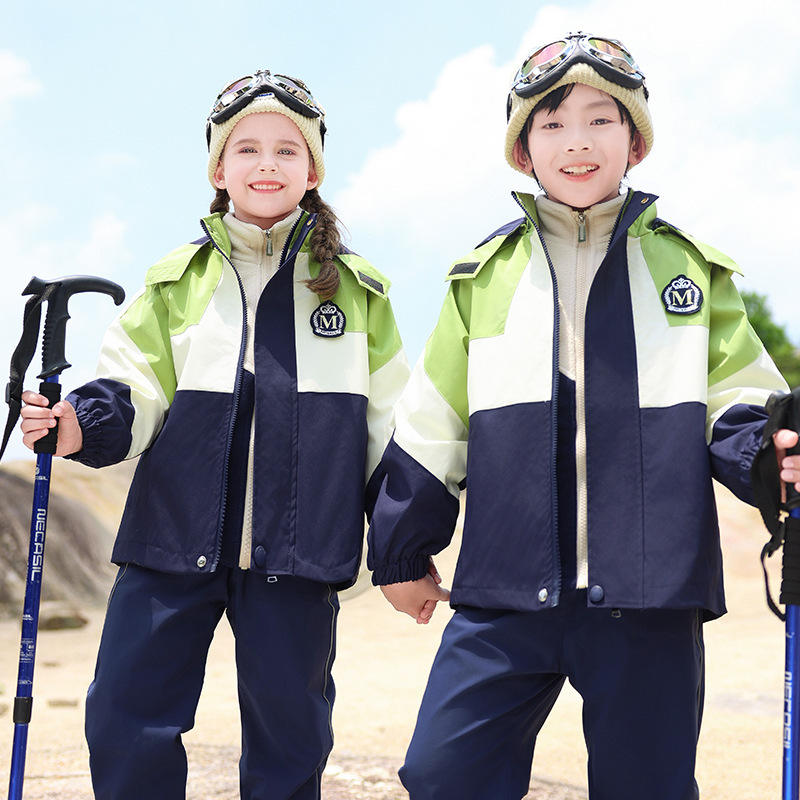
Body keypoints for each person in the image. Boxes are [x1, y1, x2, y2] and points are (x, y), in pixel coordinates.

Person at [367, 34, 800, 799]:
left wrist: (773, 455)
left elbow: (736, 399)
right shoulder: (481, 279)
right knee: (442, 773)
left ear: (634, 139)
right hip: (504, 591)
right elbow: (435, 424)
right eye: (552, 124)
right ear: (521, 150)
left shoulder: (691, 272)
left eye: (602, 120)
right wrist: (402, 552)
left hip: (650, 594)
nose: (577, 143)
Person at [19, 69, 409, 800]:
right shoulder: (173, 284)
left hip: (298, 556)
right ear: (219, 169)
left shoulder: (358, 292)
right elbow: (130, 388)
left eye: (287, 151)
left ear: (314, 170)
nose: (267, 164)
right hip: (170, 541)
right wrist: (76, 427)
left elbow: (388, 432)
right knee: (125, 718)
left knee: (292, 737)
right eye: (248, 149)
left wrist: (401, 547)